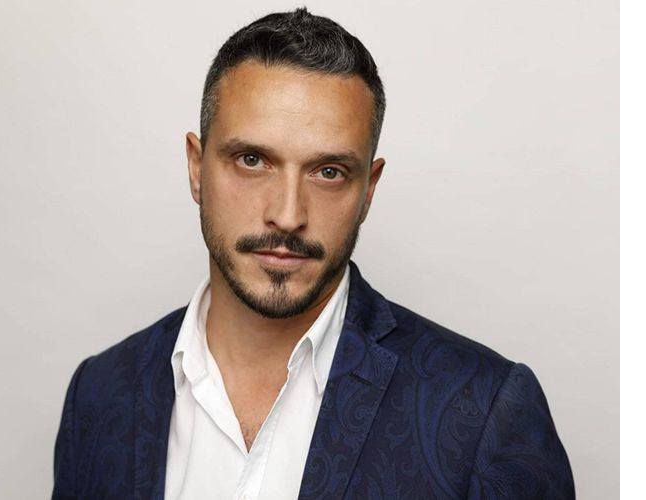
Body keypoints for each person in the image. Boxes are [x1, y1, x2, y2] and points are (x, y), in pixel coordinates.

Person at [52, 8, 574, 500]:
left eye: (328, 172)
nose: (287, 215)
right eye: (251, 160)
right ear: (196, 167)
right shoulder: (99, 394)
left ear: (368, 190)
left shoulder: (482, 408)